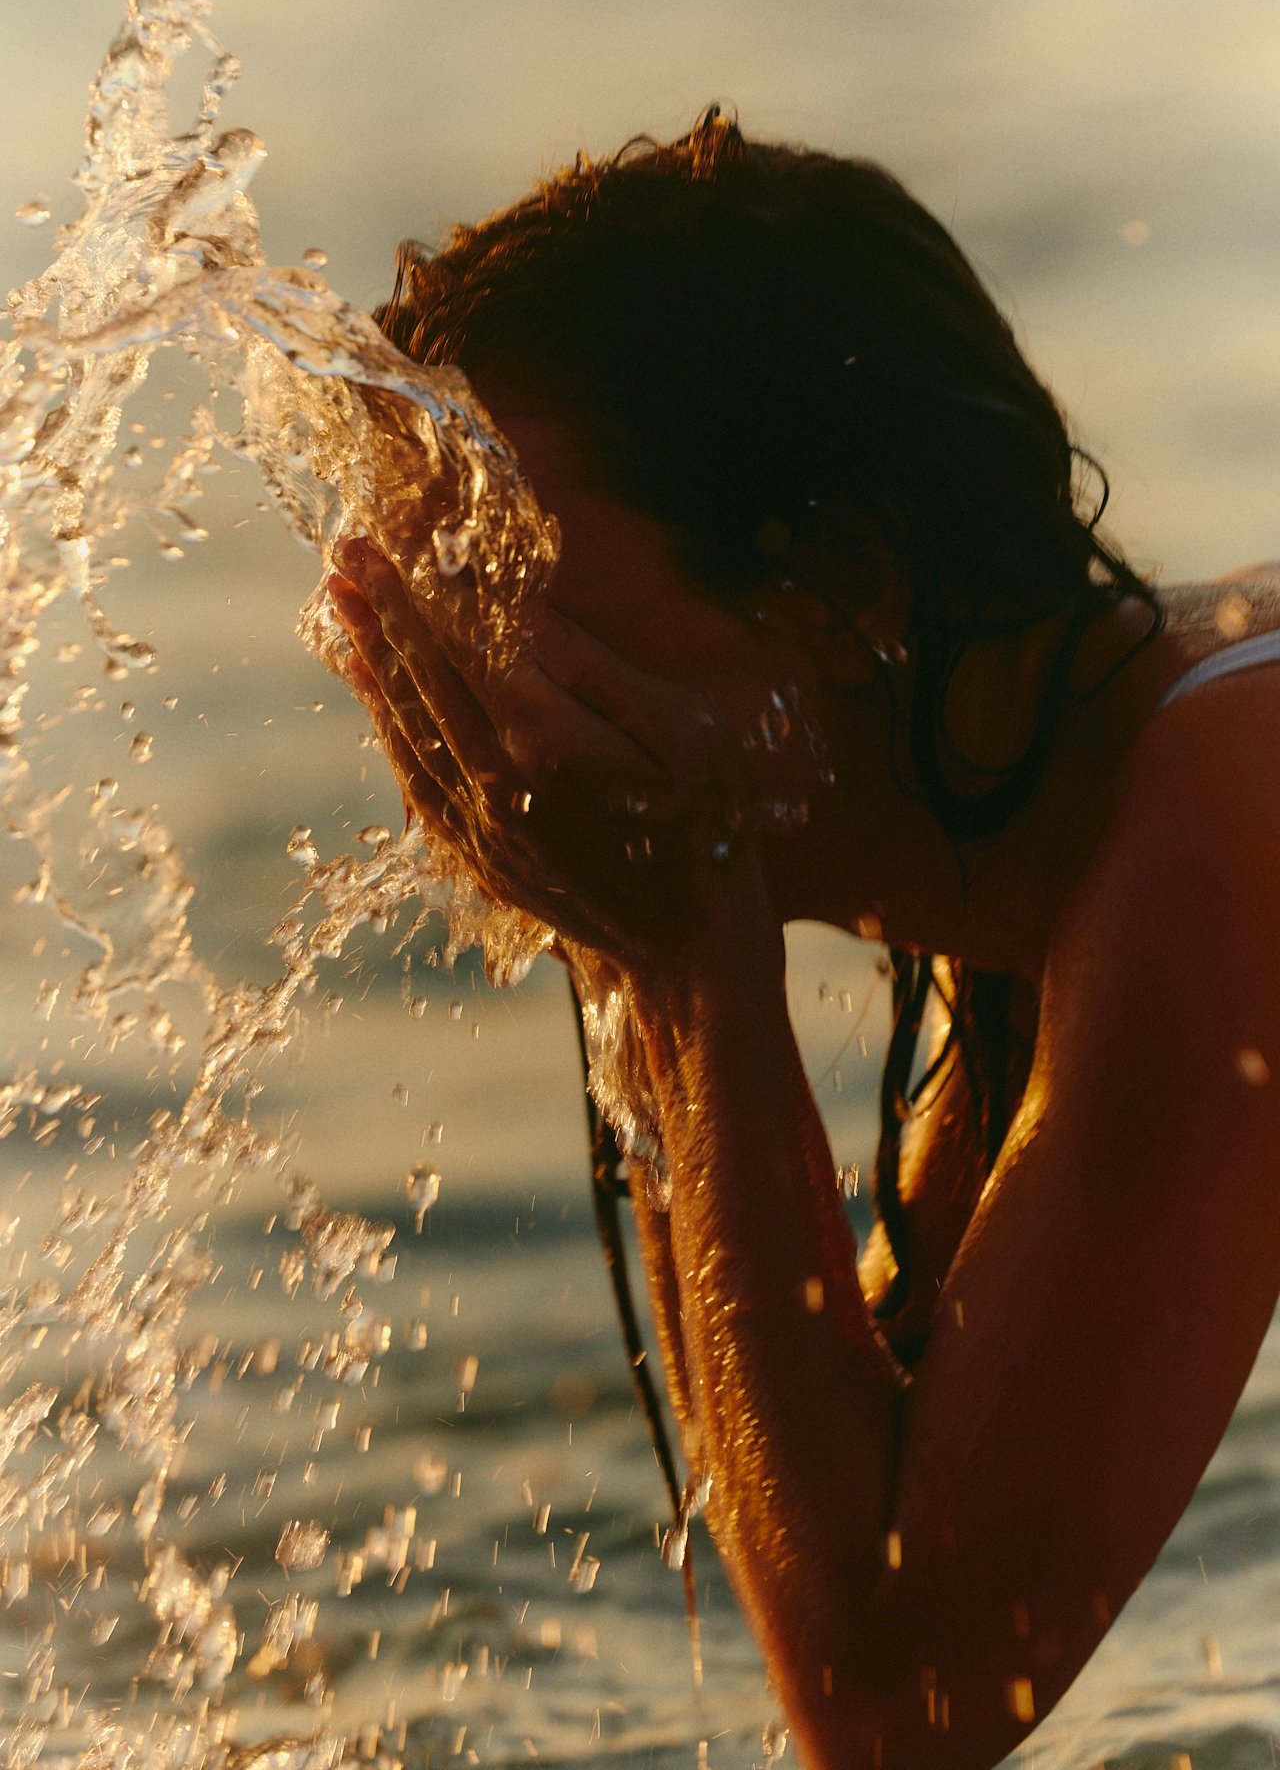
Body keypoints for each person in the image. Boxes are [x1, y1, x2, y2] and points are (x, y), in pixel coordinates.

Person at [325, 112, 1280, 1770]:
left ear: (841, 587)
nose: (467, 681)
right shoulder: (1079, 840)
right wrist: (646, 966)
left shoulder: (1238, 799)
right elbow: (882, 1507)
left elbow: (906, 1703)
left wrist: (688, 969)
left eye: (505, 574)